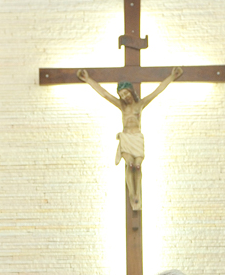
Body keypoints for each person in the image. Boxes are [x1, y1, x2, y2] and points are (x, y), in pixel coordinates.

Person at [76, 68, 182, 210]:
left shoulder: (140, 104)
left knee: (138, 166)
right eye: (122, 95)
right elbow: (105, 94)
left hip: (137, 137)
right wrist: (88, 80)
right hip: (126, 137)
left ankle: (138, 192)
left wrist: (172, 77)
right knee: (130, 164)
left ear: (131, 91)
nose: (125, 96)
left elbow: (158, 90)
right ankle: (133, 194)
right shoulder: (121, 106)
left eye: (126, 93)